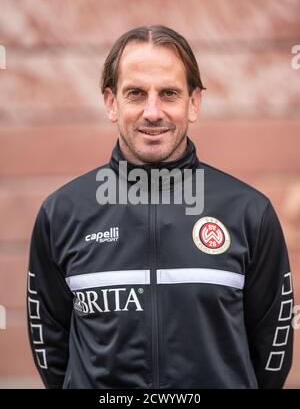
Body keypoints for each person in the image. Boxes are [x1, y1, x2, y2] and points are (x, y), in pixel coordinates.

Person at [27, 25, 294, 389]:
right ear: (111, 102)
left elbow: (272, 350)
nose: (153, 112)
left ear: (194, 102)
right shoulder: (61, 214)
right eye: (136, 93)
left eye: (169, 94)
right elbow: (50, 349)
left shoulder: (249, 213)